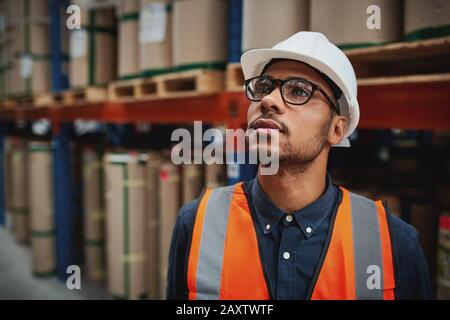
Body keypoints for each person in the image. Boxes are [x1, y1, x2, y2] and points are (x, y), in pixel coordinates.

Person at [166, 32, 433, 300]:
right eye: (262, 87)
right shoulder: (196, 225)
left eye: (298, 91)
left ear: (336, 129)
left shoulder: (393, 245)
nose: (268, 100)